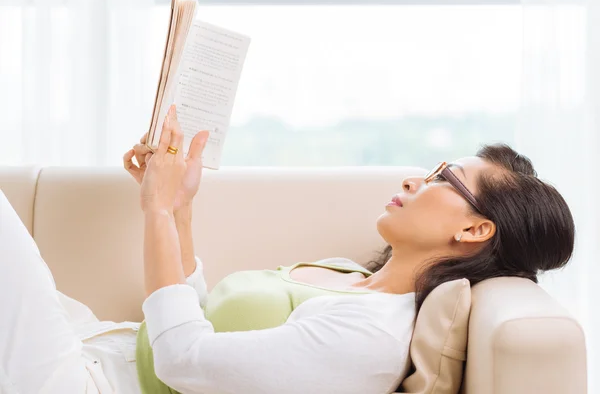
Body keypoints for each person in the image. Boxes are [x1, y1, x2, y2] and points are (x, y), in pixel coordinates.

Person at [0, 104, 575, 394]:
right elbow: (199, 319)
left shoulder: (369, 334)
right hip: (100, 345)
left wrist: (153, 210)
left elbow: (182, 359)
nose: (411, 182)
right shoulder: (350, 277)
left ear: (475, 231)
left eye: (440, 177)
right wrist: (180, 207)